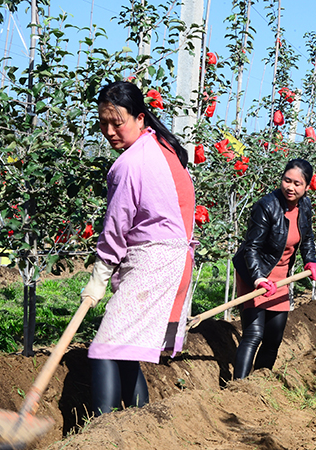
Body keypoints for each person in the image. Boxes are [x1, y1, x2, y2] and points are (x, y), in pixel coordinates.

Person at [81, 80, 196, 416]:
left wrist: (100, 275)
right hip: (169, 260)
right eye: (103, 123)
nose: (109, 131)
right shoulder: (163, 147)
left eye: (117, 123)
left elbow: (116, 226)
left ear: (140, 118)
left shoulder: (129, 164)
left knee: (104, 346)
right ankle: (140, 425)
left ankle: (102, 431)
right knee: (127, 348)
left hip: (155, 263)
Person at [232, 159, 316, 380]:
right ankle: (237, 388)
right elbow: (251, 248)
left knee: (273, 337)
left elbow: (307, 237)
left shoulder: (305, 207)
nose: (290, 187)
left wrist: (310, 260)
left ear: (307, 187)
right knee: (254, 334)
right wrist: (258, 278)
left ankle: (260, 382)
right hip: (256, 273)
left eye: (297, 183)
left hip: (281, 278)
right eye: (287, 180)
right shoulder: (266, 206)